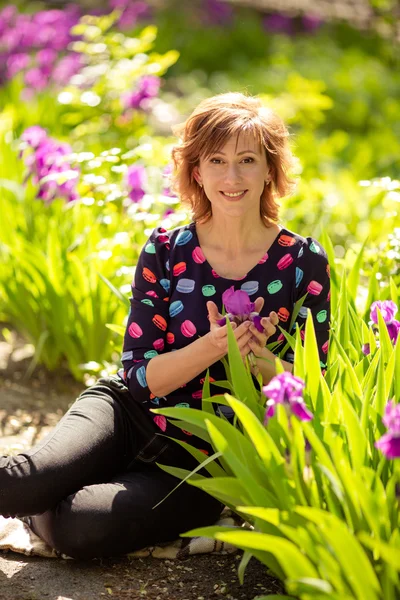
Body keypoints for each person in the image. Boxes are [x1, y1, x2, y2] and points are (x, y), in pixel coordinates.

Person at [0, 92, 330, 560]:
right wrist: (216, 345)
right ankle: (44, 488)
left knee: (82, 530)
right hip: (127, 415)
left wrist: (258, 360)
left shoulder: (302, 262)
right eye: (216, 160)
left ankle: (52, 499)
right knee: (20, 483)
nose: (231, 177)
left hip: (205, 458)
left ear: (270, 170)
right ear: (197, 171)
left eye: (247, 160)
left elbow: (315, 386)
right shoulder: (166, 248)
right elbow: (138, 377)